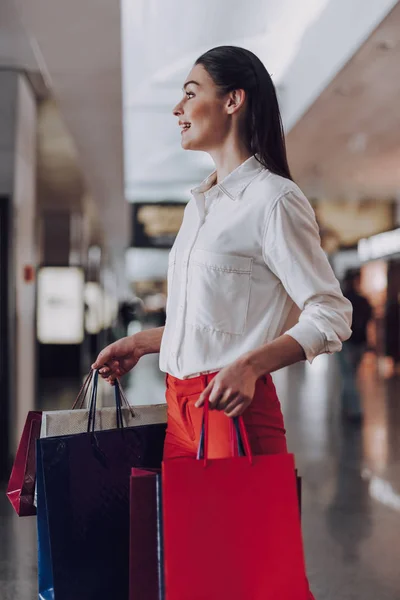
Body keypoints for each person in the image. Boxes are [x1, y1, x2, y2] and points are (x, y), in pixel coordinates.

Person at [92, 46, 352, 599]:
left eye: (190, 92)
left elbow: (331, 312)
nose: (177, 109)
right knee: (191, 574)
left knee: (251, 581)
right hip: (181, 415)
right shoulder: (199, 207)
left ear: (233, 100)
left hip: (233, 412)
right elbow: (217, 322)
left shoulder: (274, 201)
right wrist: (143, 341)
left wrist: (253, 364)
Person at [338, 269, 372, 423]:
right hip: (359, 343)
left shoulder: (342, 299)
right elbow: (369, 319)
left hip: (346, 342)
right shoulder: (362, 300)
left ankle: (354, 409)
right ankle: (347, 406)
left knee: (348, 376)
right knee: (350, 376)